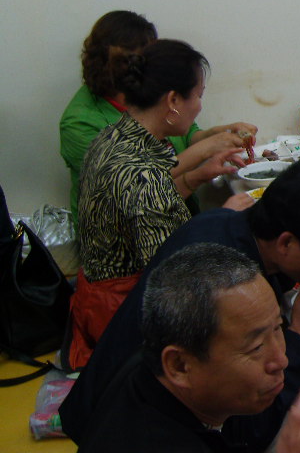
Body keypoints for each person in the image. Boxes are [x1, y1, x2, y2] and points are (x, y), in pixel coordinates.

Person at [61, 158, 300, 450]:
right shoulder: (227, 284)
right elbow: (251, 429)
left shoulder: (227, 223)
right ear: (286, 243)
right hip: (118, 422)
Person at [69, 38, 247, 368]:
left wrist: (194, 178)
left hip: (94, 298)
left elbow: (139, 207)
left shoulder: (112, 138)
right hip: (124, 317)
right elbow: (174, 278)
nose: (200, 107)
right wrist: (224, 219)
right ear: (173, 100)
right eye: (198, 95)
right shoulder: (143, 176)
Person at [77, 243, 300, 453]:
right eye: (255, 347)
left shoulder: (167, 380)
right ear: (179, 366)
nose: (281, 360)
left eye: (277, 328)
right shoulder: (152, 439)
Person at [60, 10, 257, 225]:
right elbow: (137, 189)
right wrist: (205, 151)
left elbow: (185, 136)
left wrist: (216, 138)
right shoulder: (81, 124)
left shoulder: (154, 102)